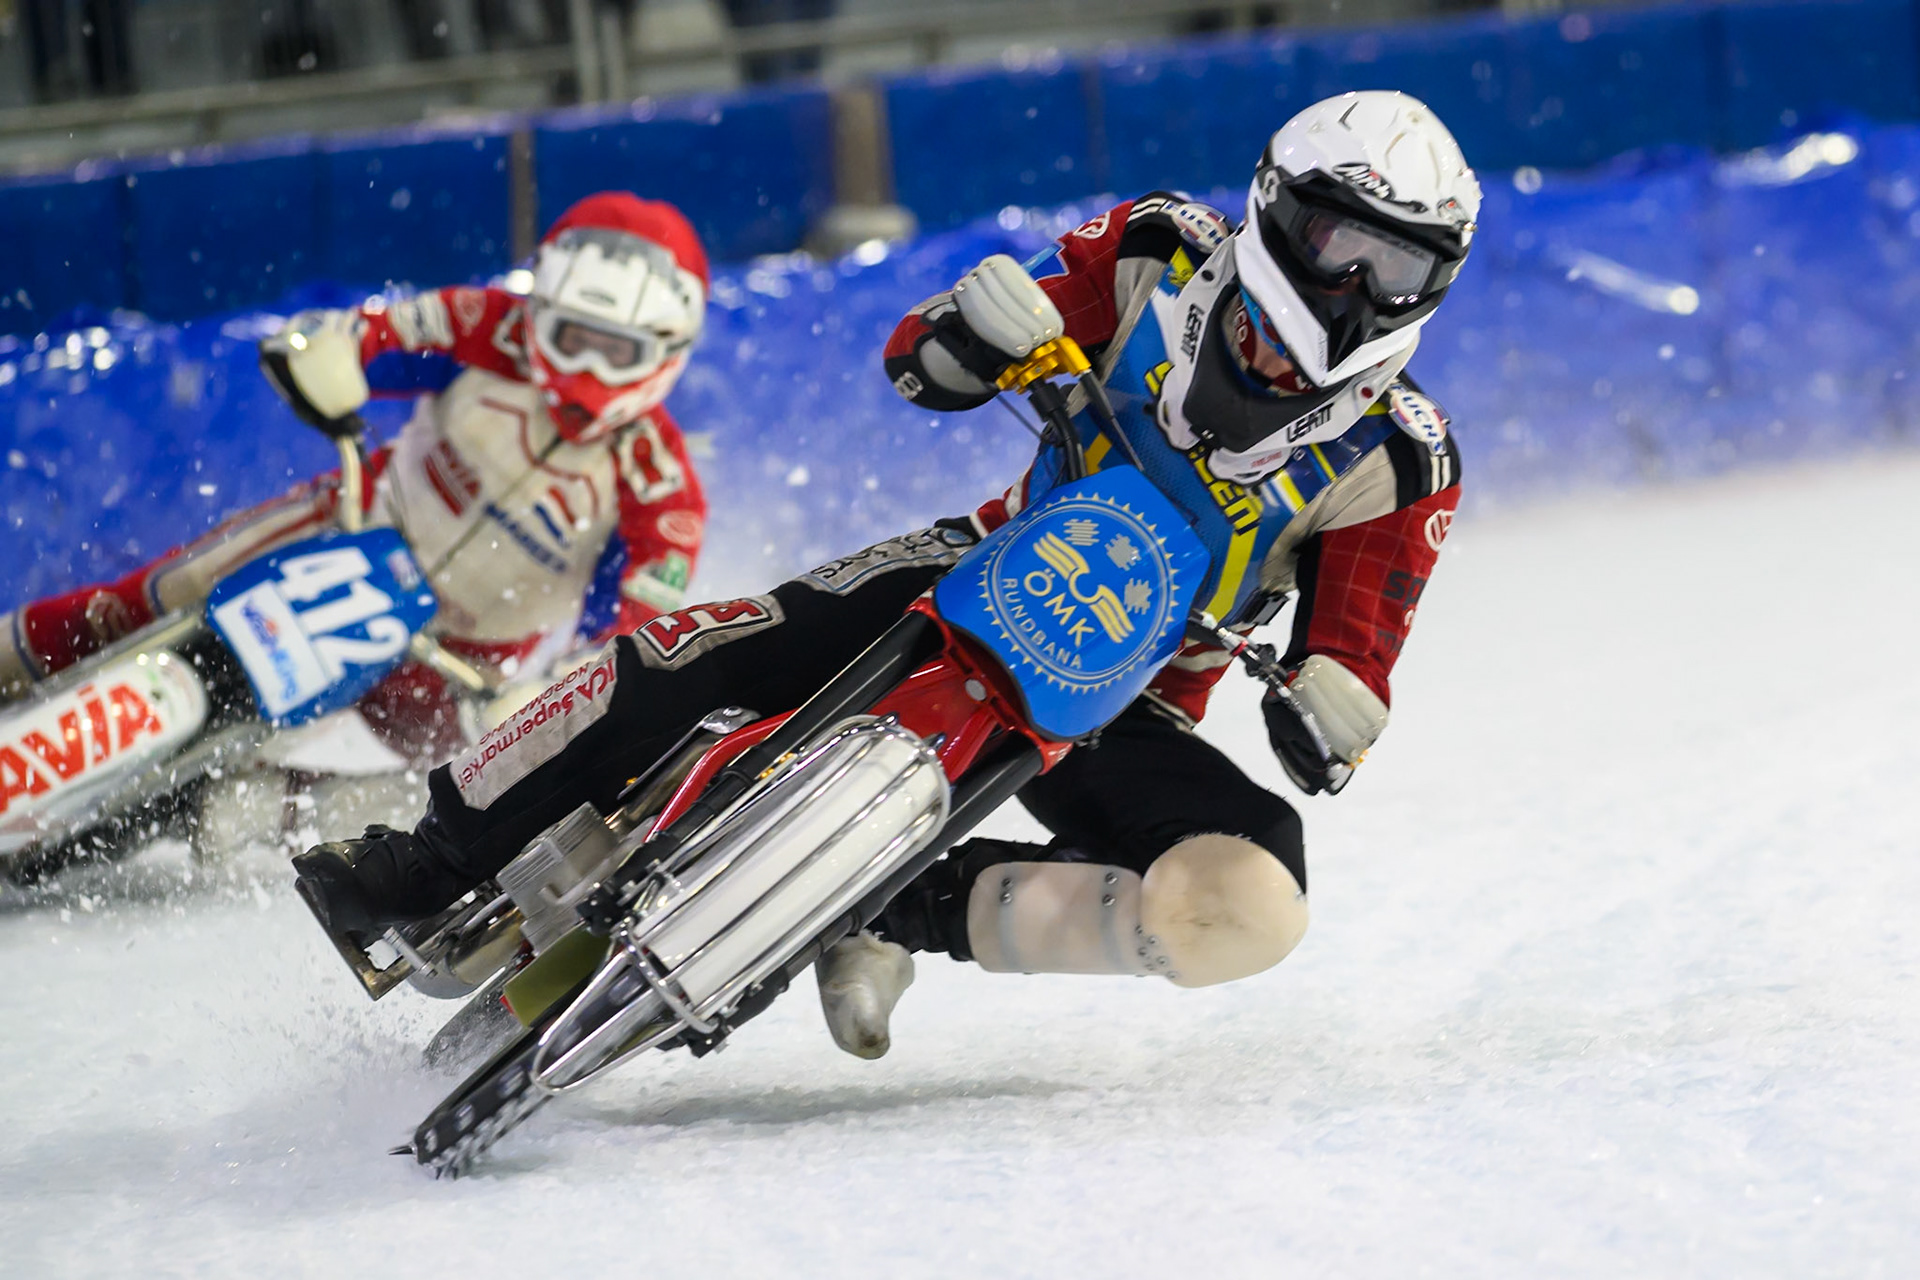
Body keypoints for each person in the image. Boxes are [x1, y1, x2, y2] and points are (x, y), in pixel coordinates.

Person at [294, 91, 1476, 1060]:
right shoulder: (1158, 249)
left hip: (1126, 699)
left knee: (1258, 896)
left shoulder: (1403, 457)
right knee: (686, 651)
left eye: (1396, 268)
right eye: (1339, 243)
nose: (1354, 290)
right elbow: (920, 356)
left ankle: (900, 903)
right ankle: (430, 855)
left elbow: (1350, 666)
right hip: (980, 568)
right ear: (1278, 207)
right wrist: (973, 333)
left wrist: (1333, 710)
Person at [0, 191, 711, 774]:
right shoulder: (489, 325)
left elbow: (628, 638)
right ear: (539, 311)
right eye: (571, 334)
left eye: (617, 349)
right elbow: (365, 338)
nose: (588, 366)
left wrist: (549, 692)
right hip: (348, 531)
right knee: (145, 602)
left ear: (668, 351)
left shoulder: (663, 492)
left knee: (482, 776)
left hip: (463, 663)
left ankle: (278, 809)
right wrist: (325, 360)